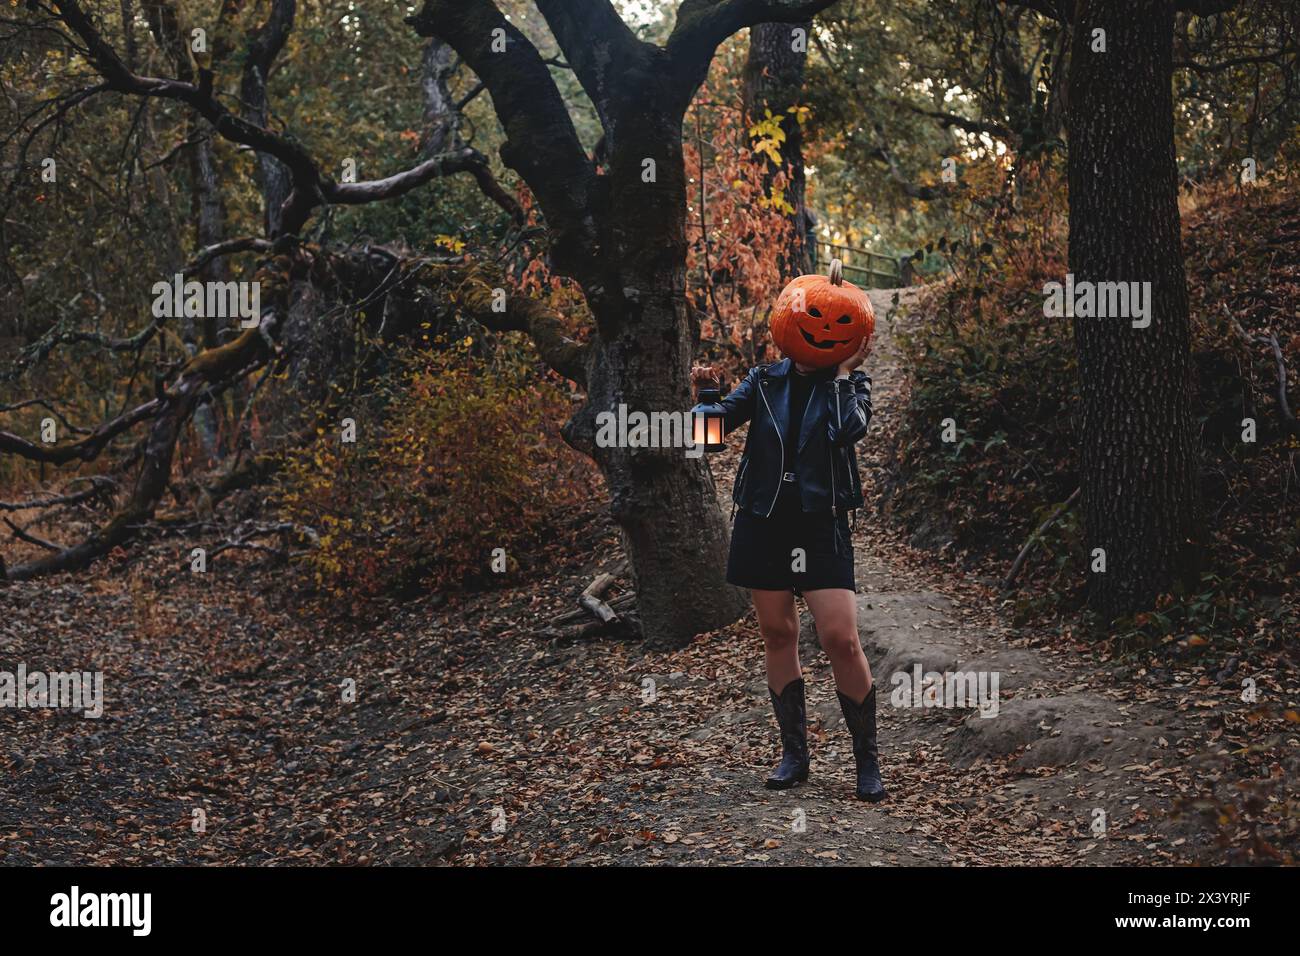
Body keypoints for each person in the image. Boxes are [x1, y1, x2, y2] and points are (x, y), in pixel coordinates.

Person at [690, 337, 885, 801]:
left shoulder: (852, 383)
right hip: (764, 521)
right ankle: (795, 757)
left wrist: (841, 374)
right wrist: (706, 400)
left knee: (841, 637)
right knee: (777, 634)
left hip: (822, 524)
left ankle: (867, 764)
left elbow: (847, 431)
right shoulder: (763, 380)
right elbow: (708, 441)